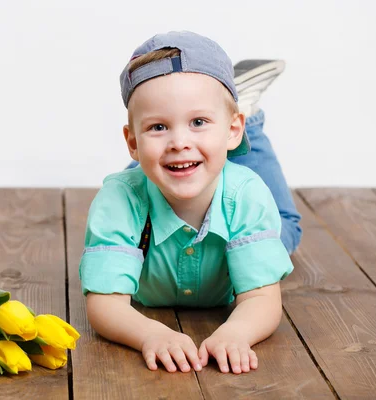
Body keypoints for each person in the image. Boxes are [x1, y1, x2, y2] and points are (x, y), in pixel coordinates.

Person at [79, 31, 301, 375]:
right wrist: (149, 333)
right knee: (144, 181)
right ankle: (177, 132)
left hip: (225, 179)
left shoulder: (247, 196)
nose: (179, 141)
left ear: (231, 129)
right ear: (132, 142)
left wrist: (236, 332)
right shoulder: (117, 200)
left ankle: (249, 118)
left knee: (286, 230)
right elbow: (104, 303)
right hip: (147, 180)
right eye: (158, 126)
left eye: (198, 121)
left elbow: (262, 297)